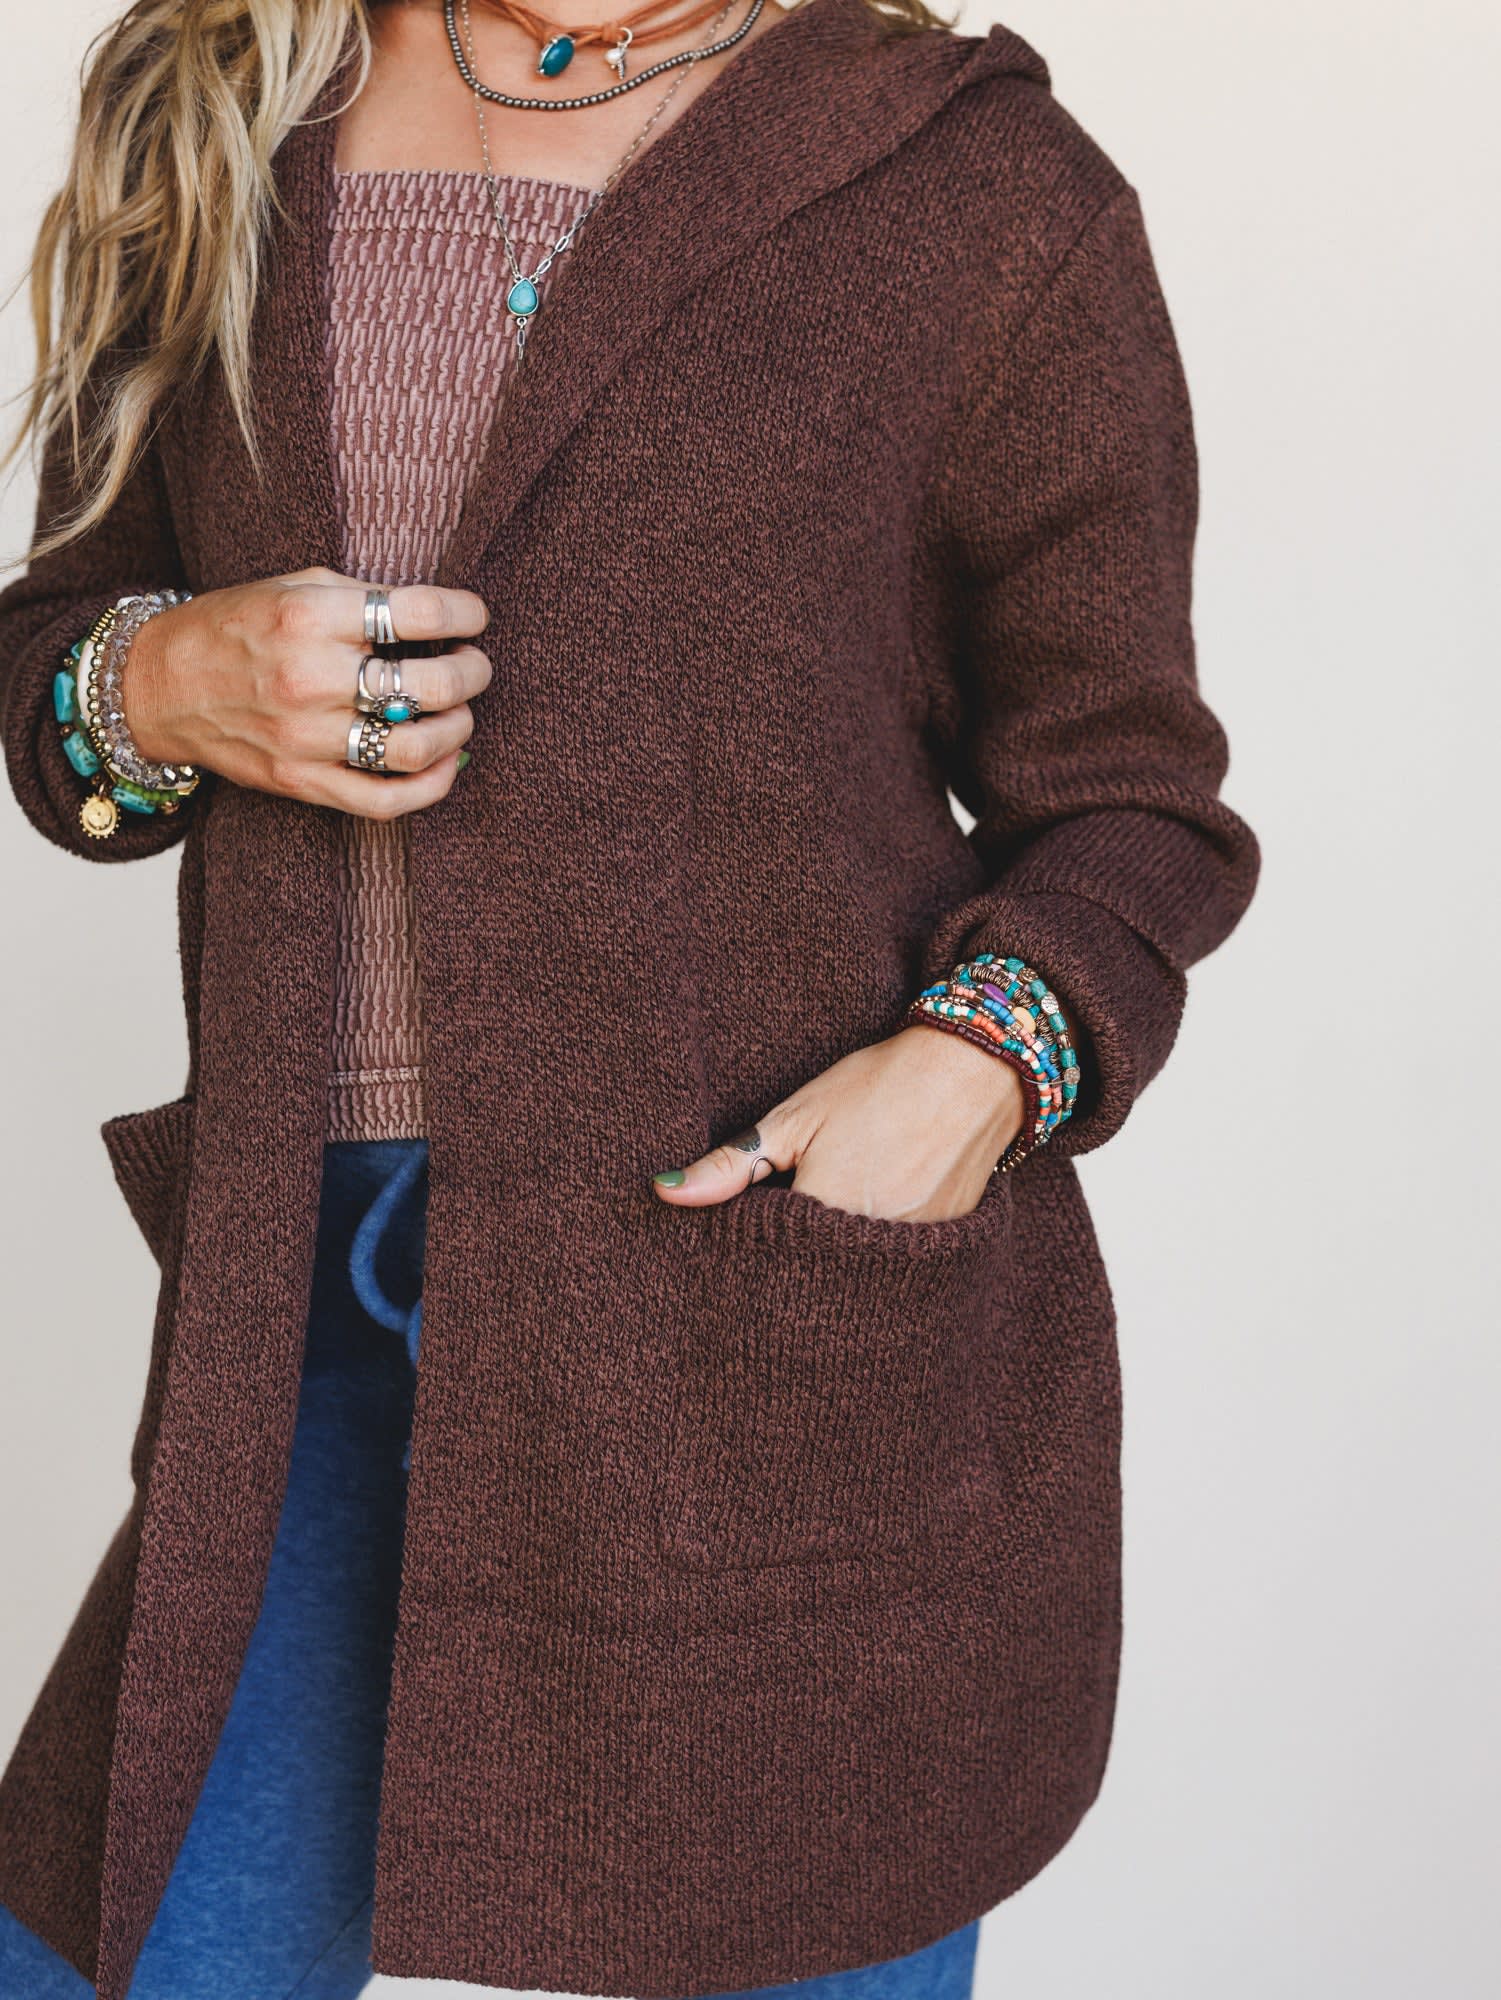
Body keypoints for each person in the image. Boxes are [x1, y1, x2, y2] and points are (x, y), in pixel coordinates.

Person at [0, 1, 1260, 1996]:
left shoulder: (974, 181)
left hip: (760, 1303)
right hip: (303, 1311)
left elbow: (1131, 801)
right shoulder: (220, 102)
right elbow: (59, 659)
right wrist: (149, 682)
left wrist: (970, 1070)